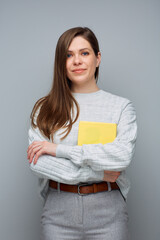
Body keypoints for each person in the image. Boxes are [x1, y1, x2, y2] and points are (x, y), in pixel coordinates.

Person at [27, 27, 137, 240]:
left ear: (98, 58)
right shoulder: (44, 108)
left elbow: (121, 156)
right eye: (68, 55)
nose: (77, 61)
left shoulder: (121, 107)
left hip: (108, 210)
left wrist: (59, 149)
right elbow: (38, 163)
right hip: (58, 210)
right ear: (61, 62)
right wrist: (96, 173)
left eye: (84, 53)